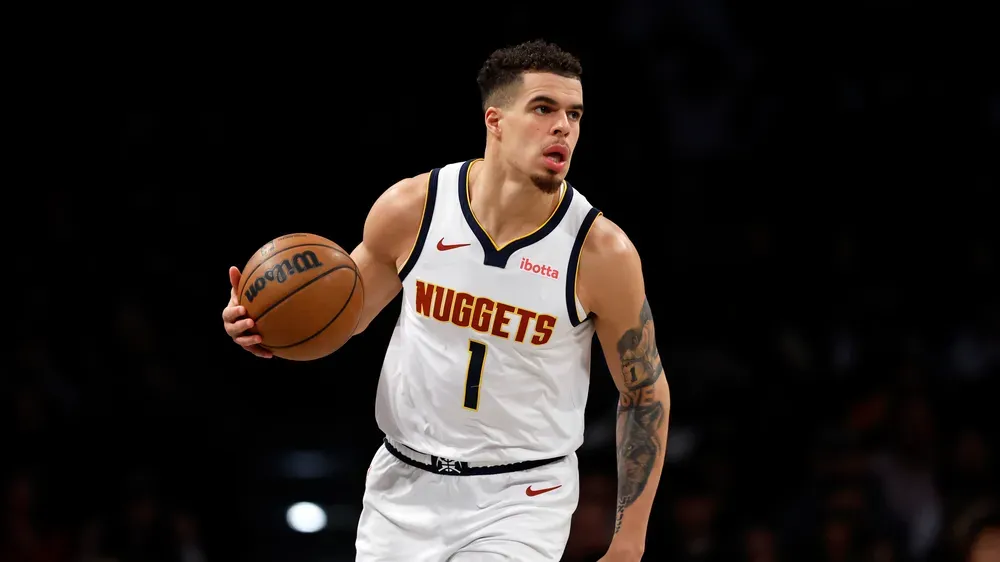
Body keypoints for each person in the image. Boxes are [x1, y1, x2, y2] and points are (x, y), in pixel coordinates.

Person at [222, 39, 671, 561]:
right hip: (402, 484)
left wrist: (630, 541)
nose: (563, 128)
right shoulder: (415, 207)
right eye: (543, 109)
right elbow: (343, 314)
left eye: (574, 114)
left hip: (521, 497)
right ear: (495, 120)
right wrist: (260, 325)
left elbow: (644, 394)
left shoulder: (600, 252)